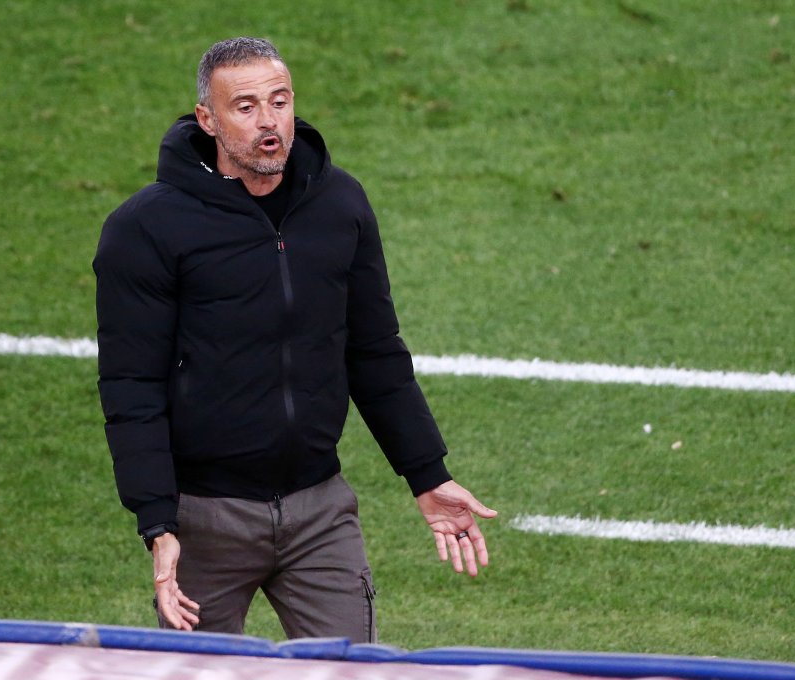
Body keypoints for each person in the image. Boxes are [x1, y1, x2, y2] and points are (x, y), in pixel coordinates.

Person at [94, 37, 496, 642]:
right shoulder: (144, 228)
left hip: (320, 511)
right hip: (204, 519)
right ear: (207, 119)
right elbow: (132, 385)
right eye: (246, 106)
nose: (269, 122)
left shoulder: (341, 204)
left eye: (279, 102)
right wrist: (157, 522)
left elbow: (374, 352)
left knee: (351, 679)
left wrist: (427, 474)